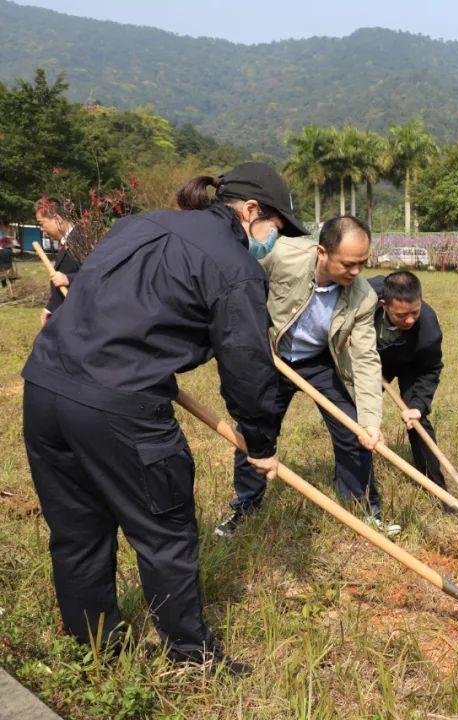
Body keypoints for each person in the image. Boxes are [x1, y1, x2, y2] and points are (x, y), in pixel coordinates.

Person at [22, 162, 307, 673]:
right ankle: (192, 657)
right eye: (276, 229)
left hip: (45, 386)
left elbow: (106, 298)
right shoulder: (234, 266)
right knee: (165, 530)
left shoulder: (139, 224)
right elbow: (246, 365)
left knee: (77, 527)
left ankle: (92, 646)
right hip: (119, 404)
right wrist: (261, 444)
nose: (274, 241)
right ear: (250, 211)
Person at [214, 215, 394, 538]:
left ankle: (365, 510)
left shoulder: (363, 296)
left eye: (362, 264)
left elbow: (366, 358)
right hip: (272, 355)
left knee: (352, 431)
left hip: (318, 361)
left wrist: (370, 421)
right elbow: (243, 282)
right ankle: (244, 507)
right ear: (322, 252)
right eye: (349, 264)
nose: (357, 272)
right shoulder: (283, 255)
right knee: (255, 433)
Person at [369, 271, 445, 488]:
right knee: (357, 418)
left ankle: (436, 488)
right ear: (384, 305)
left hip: (410, 361)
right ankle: (357, 485)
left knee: (417, 420)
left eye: (415, 312)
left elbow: (429, 369)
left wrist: (418, 404)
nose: (410, 320)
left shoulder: (428, 327)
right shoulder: (363, 296)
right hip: (372, 359)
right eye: (401, 315)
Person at [34, 197, 81, 325]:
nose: (41, 229)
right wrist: (50, 307)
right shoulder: (66, 242)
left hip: (80, 317)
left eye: (41, 223)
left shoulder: (82, 241)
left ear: (57, 219)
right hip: (64, 315)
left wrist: (69, 279)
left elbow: (99, 274)